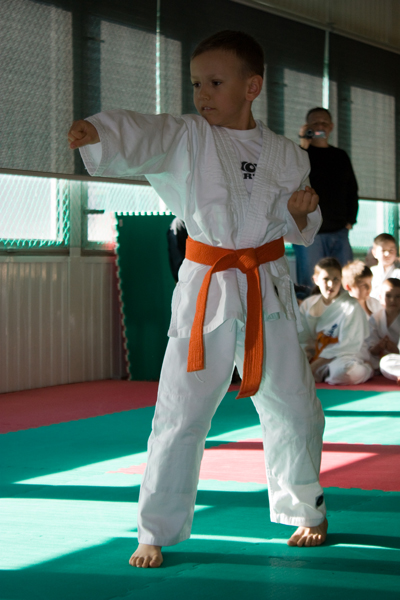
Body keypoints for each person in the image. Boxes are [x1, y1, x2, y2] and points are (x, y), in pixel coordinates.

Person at [68, 30, 327, 567]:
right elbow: (145, 131)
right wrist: (99, 132)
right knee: (179, 410)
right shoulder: (188, 137)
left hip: (266, 286)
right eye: (195, 84)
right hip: (207, 287)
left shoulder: (287, 154)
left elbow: (299, 223)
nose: (202, 94)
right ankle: (155, 528)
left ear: (252, 87)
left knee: (294, 406)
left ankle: (306, 507)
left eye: (215, 83)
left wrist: (301, 212)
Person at [293, 108, 359, 288]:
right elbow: (290, 181)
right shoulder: (299, 154)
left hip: (339, 230)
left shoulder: (340, 156)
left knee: (346, 283)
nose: (320, 126)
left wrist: (350, 220)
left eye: (324, 123)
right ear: (307, 126)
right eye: (315, 123)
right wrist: (303, 145)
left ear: (331, 127)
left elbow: (352, 189)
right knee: (310, 285)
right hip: (309, 232)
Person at [299, 258, 373, 385]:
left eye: (335, 279)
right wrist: (306, 358)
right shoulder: (308, 304)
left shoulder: (351, 306)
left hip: (345, 356)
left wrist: (315, 365)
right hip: (317, 357)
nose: (331, 284)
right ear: (316, 280)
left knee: (345, 372)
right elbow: (303, 339)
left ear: (341, 281)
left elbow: (348, 345)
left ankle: (367, 369)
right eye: (326, 279)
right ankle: (324, 373)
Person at [367, 278, 400, 373]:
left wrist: (395, 350)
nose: (393, 300)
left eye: (398, 296)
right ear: (381, 297)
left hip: (397, 359)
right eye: (388, 296)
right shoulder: (375, 318)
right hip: (380, 359)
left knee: (386, 363)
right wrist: (379, 346)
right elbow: (371, 349)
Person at [369, 233, 400, 300]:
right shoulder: (370, 272)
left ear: (396, 251)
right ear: (374, 253)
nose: (387, 254)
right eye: (383, 250)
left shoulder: (398, 273)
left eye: (391, 250)